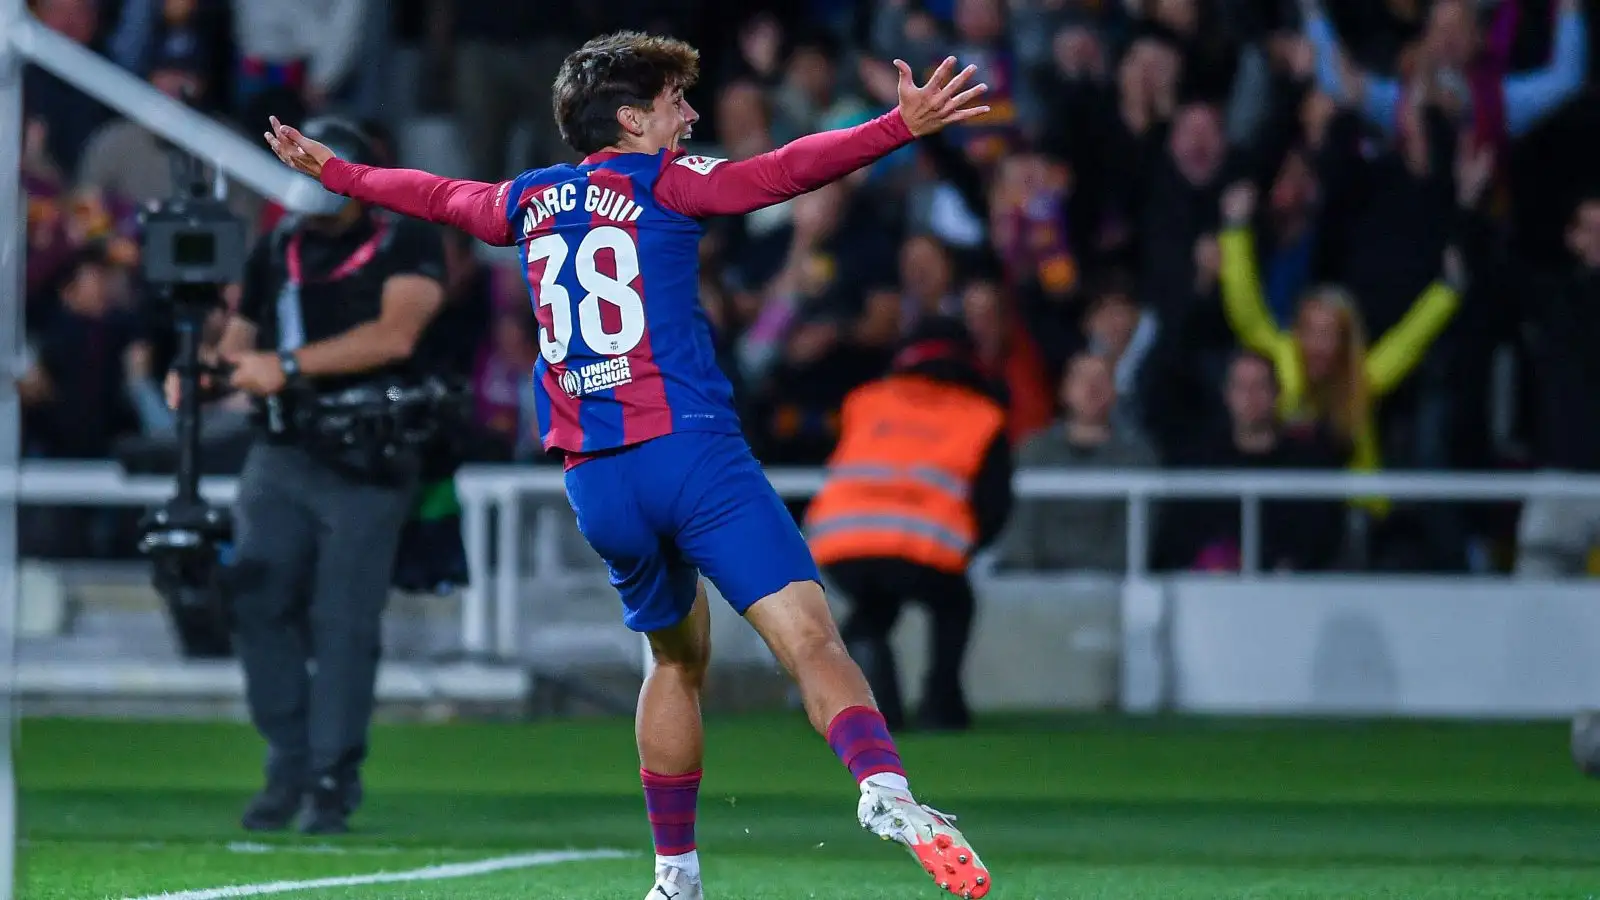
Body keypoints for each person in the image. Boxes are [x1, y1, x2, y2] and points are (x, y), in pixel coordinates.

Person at [262, 32, 995, 900]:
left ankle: (673, 876)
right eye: (676, 102)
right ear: (631, 117)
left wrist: (338, 175)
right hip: (691, 455)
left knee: (673, 662)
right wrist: (896, 126)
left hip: (597, 479)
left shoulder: (529, 199)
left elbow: (434, 195)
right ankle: (883, 787)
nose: (690, 115)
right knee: (810, 638)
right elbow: (785, 171)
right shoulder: (670, 184)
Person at [169, 118, 448, 835]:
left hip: (368, 456)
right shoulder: (278, 247)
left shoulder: (404, 238)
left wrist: (286, 366)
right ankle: (289, 760)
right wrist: (202, 375)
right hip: (283, 449)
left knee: (344, 622)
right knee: (256, 598)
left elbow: (398, 334)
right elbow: (240, 344)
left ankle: (330, 776)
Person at [806, 317, 1013, 733]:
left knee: (872, 609)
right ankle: (941, 706)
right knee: (954, 603)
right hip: (923, 547)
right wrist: (965, 547)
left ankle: (869, 696)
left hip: (839, 542)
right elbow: (994, 503)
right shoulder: (982, 414)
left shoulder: (865, 400)